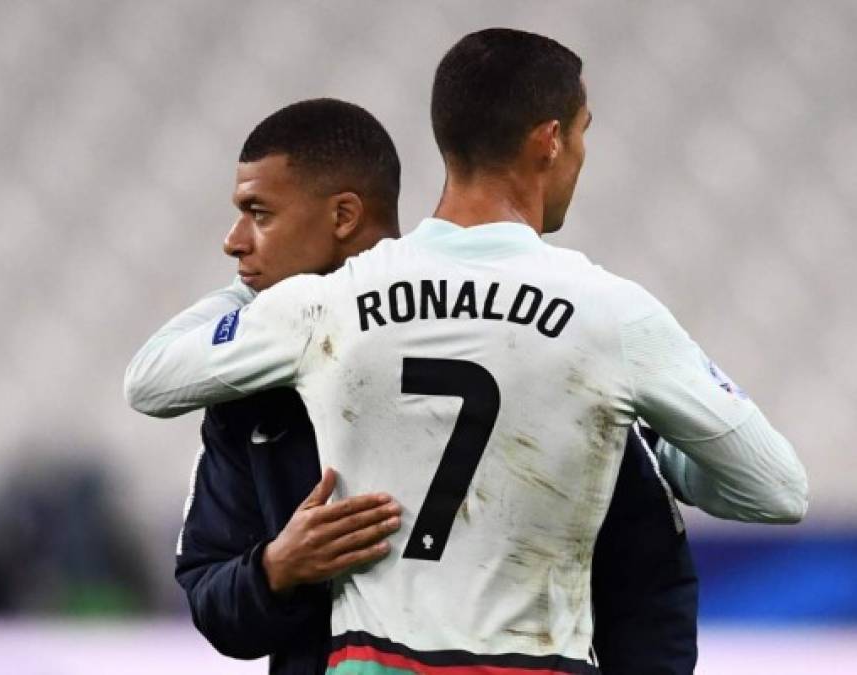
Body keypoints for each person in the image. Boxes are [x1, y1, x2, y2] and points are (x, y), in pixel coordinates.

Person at [127, 30, 808, 674]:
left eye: (259, 216)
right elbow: (774, 489)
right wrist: (656, 439)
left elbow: (151, 382)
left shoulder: (324, 307)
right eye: (581, 134)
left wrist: (264, 293)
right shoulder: (606, 317)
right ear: (548, 141)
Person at [170, 99, 698, 675]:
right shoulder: (251, 401)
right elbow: (211, 594)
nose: (233, 241)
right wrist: (275, 569)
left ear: (343, 215)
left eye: (259, 213)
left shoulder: (549, 351)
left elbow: (649, 585)